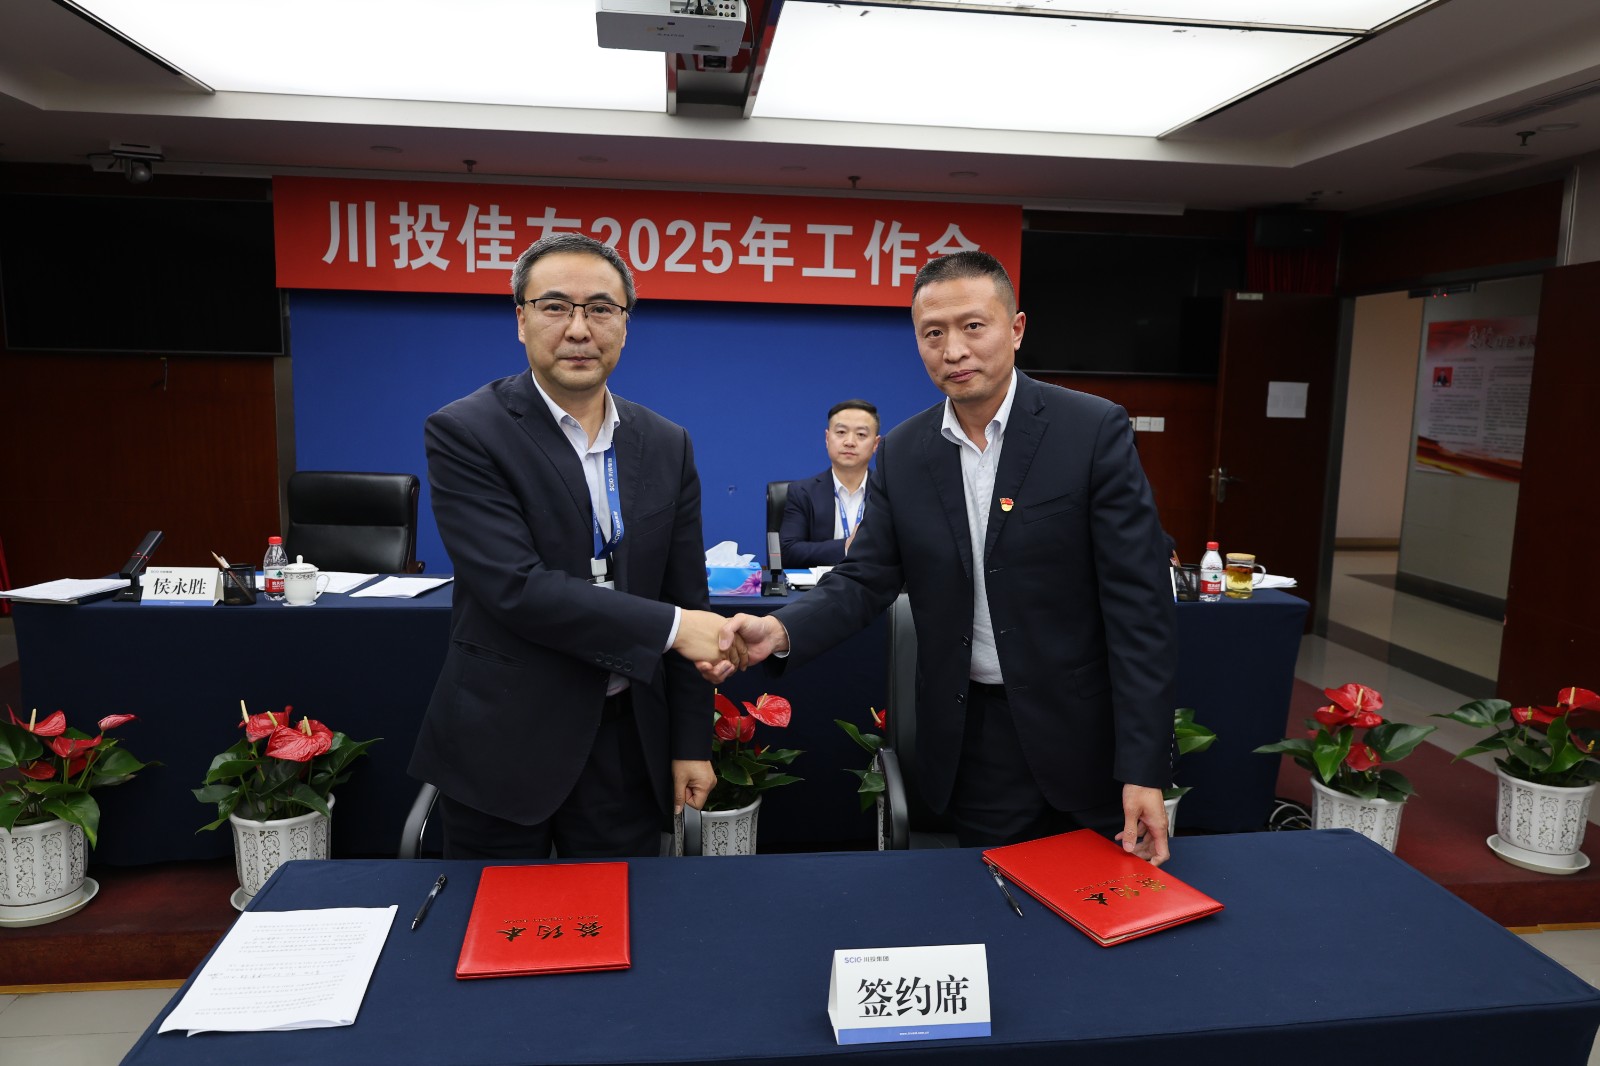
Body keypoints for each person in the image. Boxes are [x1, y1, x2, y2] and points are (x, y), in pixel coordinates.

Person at [706, 250, 1177, 864]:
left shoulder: (1089, 430)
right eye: (933, 334)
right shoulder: (904, 452)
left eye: (973, 326)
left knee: (1104, 902)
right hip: (978, 742)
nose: (954, 350)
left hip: (1089, 737)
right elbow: (865, 578)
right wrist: (779, 630)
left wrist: (1142, 767)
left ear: (1016, 328)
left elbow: (1140, 608)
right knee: (995, 902)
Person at [409, 232, 743, 861]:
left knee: (621, 913)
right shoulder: (466, 431)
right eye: (556, 306)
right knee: (497, 915)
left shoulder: (666, 443)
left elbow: (686, 594)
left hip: (625, 744)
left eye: (601, 309)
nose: (579, 329)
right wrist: (673, 628)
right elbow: (515, 587)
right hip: (504, 739)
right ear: (521, 320)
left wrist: (689, 742)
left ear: (626, 324)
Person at [779, 399, 882, 566]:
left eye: (861, 434)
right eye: (841, 432)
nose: (850, 442)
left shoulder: (889, 492)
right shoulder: (802, 492)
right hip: (821, 582)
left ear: (876, 444)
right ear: (827, 438)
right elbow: (788, 552)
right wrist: (846, 547)